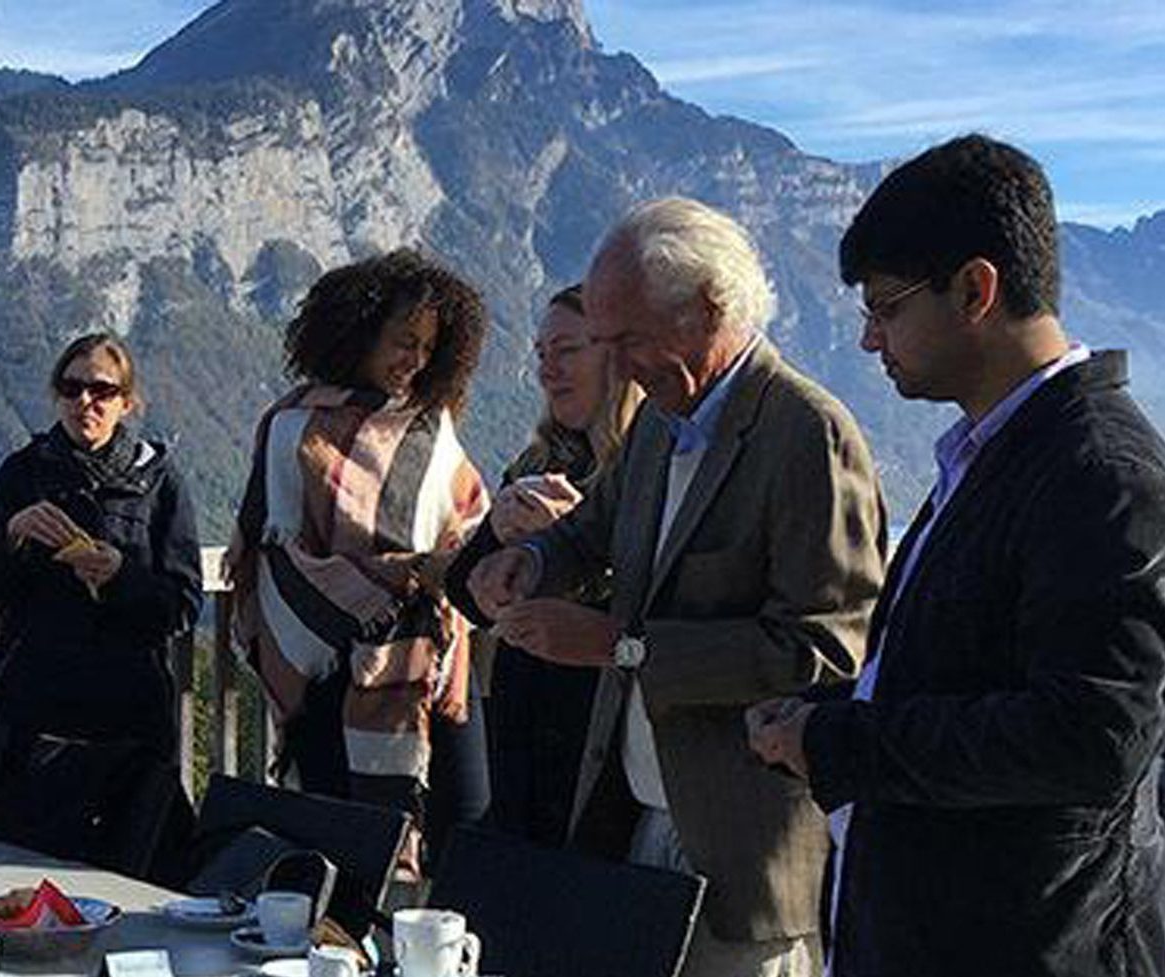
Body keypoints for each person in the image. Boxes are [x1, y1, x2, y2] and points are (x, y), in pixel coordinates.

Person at [746, 134, 1165, 977]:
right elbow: (966, 669)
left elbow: (1092, 735)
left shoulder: (1099, 474)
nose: (868, 338)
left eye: (887, 307)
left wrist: (844, 743)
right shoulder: (993, 457)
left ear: (975, 289)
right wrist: (828, 714)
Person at [466, 197, 884, 977]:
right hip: (634, 813)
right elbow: (594, 530)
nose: (617, 366)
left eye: (628, 340)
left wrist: (621, 648)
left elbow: (825, 647)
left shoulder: (805, 434)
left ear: (708, 309)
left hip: (740, 848)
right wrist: (532, 562)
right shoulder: (661, 423)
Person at [228, 249, 489, 846]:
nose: (414, 360)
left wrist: (461, 563)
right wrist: (403, 573)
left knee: (463, 825)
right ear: (359, 333)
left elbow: (470, 517)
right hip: (329, 669)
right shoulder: (292, 427)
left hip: (430, 665)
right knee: (341, 843)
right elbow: (280, 559)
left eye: (427, 346)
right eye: (403, 341)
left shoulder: (432, 426)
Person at [447, 284, 645, 853]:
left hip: (601, 751)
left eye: (566, 351)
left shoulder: (651, 468)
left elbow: (658, 603)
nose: (547, 371)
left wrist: (575, 539)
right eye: (540, 354)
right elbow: (463, 590)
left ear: (615, 355)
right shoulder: (539, 463)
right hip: (521, 741)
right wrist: (496, 539)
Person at [0, 333, 203, 764]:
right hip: (32, 706)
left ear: (126, 403)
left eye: (102, 390)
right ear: (56, 397)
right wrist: (13, 536)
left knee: (129, 829)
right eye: (71, 388)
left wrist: (119, 575)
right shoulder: (22, 473)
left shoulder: (159, 480)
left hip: (130, 711)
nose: (85, 401)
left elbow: (182, 606)